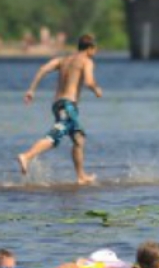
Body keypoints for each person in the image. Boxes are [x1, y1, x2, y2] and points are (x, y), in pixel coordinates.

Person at [17, 33, 104, 185]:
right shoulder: (86, 61)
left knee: (78, 139)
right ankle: (27, 156)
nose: (95, 52)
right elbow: (89, 81)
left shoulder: (63, 60)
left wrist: (32, 90)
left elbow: (43, 69)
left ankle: (81, 176)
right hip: (68, 105)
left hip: (58, 104)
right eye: (95, 49)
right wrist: (96, 89)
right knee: (55, 136)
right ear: (90, 48)